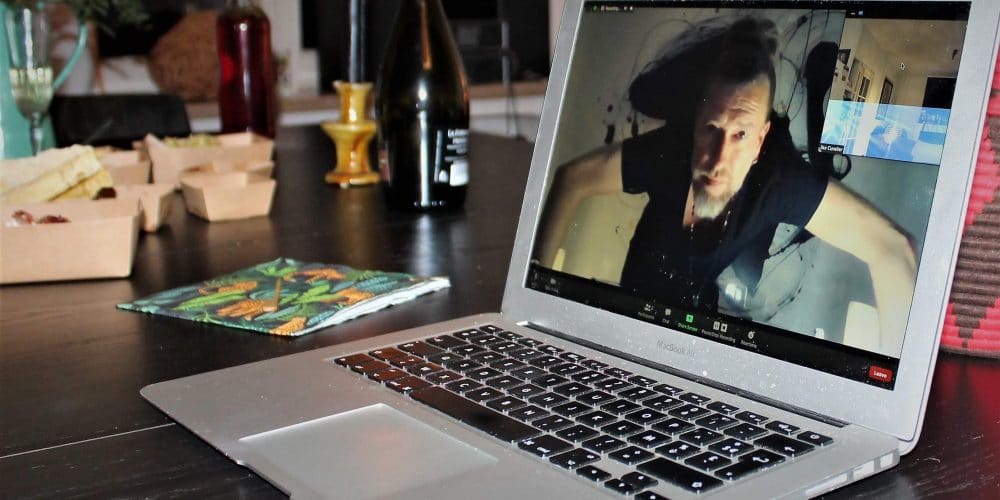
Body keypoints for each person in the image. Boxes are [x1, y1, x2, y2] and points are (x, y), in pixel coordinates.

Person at [534, 18, 917, 353]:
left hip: (700, 322)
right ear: (696, 121)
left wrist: (890, 382)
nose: (718, 159)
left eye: (740, 135)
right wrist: (538, 301)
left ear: (761, 140)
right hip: (636, 311)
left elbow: (893, 248)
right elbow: (572, 178)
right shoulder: (670, 149)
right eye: (712, 129)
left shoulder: (778, 177)